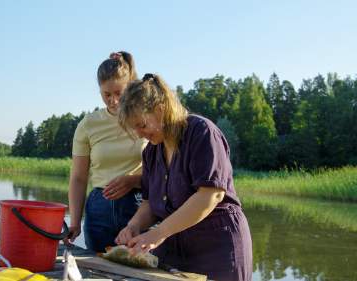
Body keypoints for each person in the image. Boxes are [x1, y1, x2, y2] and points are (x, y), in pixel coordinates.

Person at [115, 73, 253, 281]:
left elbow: (210, 195)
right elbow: (149, 203)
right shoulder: (152, 151)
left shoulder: (202, 132)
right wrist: (134, 226)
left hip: (218, 247)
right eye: (134, 128)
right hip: (173, 247)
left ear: (161, 109)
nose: (139, 134)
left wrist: (158, 233)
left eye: (142, 125)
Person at [65, 51, 147, 253]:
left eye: (119, 93)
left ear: (130, 86)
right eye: (107, 94)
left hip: (139, 206)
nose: (114, 101)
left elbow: (164, 173)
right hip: (99, 208)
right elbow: (78, 178)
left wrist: (133, 180)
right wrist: (74, 222)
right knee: (97, 268)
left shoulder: (146, 118)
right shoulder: (88, 124)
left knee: (138, 269)